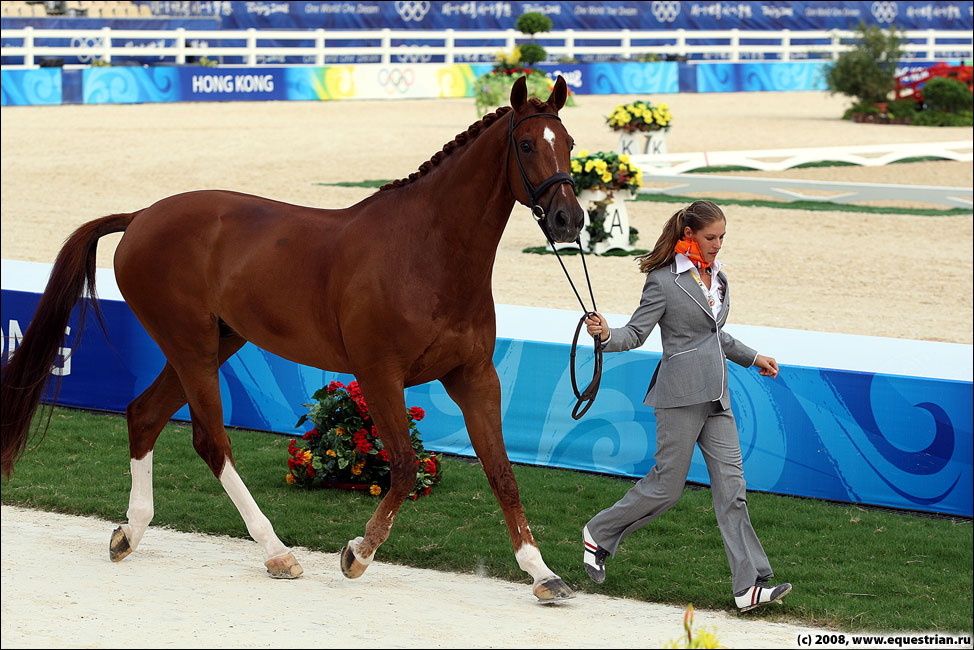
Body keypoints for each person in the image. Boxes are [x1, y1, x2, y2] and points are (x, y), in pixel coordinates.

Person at [581, 200, 791, 612]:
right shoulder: (662, 281)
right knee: (666, 489)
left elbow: (716, 336)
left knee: (733, 493)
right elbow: (637, 333)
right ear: (690, 234)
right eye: (711, 238)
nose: (718, 245)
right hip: (678, 397)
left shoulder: (719, 279)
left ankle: (748, 586)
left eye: (722, 238)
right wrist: (606, 334)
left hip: (718, 397)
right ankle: (598, 532)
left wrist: (754, 356)